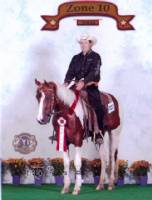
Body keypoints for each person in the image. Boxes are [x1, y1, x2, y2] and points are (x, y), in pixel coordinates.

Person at [64, 34, 104, 143]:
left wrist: (84, 82)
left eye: (85, 43)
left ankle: (98, 132)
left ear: (90, 44)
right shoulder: (75, 58)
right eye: (81, 43)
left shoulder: (96, 57)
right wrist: (66, 82)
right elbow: (70, 72)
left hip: (90, 86)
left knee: (97, 105)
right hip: (76, 86)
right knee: (64, 102)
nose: (83, 45)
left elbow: (94, 73)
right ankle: (65, 131)